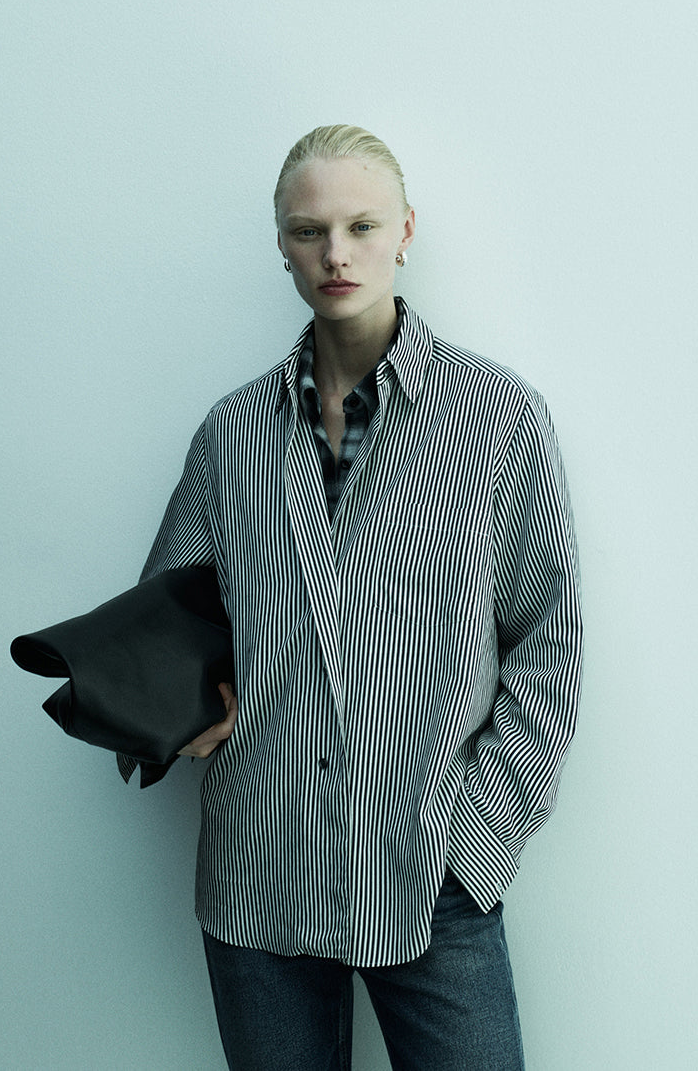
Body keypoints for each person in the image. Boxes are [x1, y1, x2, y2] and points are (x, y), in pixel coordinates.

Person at [138, 125, 583, 1071]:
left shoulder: (498, 419)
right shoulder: (233, 436)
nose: (335, 253)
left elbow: (549, 645)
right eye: (308, 231)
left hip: (430, 870)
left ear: (405, 232)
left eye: (361, 225)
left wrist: (474, 837)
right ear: (281, 244)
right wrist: (191, 704)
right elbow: (166, 615)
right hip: (264, 866)